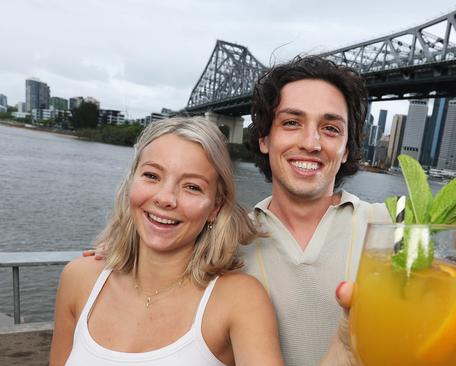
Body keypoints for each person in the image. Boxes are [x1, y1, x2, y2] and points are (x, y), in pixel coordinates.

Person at [243, 55, 456, 365]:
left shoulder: (402, 225)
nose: (311, 142)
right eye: (291, 123)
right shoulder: (225, 239)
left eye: (331, 128)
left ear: (346, 149)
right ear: (263, 138)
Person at [51, 117, 283, 366]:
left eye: (192, 187)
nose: (165, 198)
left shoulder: (240, 300)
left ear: (215, 207)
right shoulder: (79, 278)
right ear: (132, 182)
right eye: (152, 175)